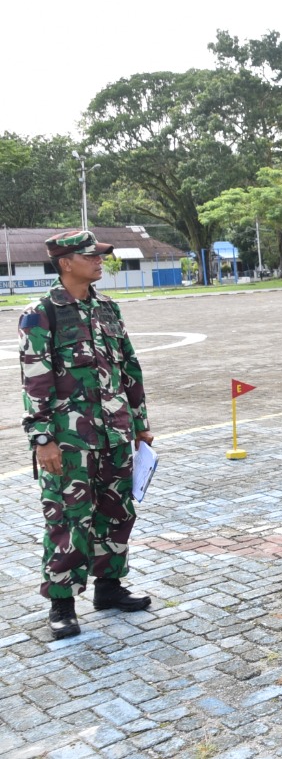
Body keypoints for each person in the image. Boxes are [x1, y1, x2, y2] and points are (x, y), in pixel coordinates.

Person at [19, 230, 155, 640]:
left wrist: (141, 423)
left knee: (118, 512)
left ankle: (109, 589)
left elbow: (129, 368)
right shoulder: (40, 313)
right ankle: (61, 604)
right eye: (90, 256)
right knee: (68, 519)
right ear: (65, 263)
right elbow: (34, 381)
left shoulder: (108, 308)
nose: (99, 262)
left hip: (115, 433)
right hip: (69, 442)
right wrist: (43, 439)